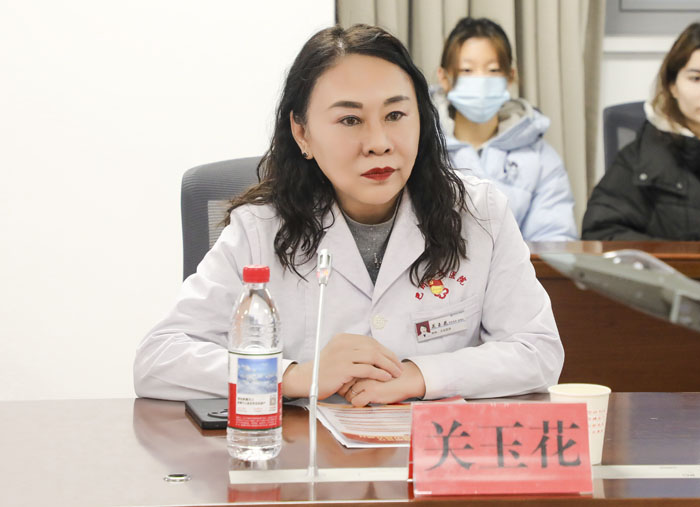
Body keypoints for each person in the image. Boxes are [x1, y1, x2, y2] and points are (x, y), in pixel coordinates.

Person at [133, 24, 563, 404]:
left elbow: (538, 351)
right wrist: (296, 377)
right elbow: (159, 359)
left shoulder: (479, 213)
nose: (379, 142)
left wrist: (421, 376)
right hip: (305, 459)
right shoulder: (260, 229)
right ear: (302, 132)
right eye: (350, 120)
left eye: (395, 114)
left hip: (431, 460)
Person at [583, 22, 700, 240]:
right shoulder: (639, 159)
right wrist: (665, 260)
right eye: (696, 78)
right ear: (672, 86)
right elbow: (600, 232)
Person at [432, 17, 577, 242]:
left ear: (510, 76)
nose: (481, 80)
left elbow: (554, 240)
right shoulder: (422, 147)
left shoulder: (541, 159)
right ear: (444, 77)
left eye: (493, 70)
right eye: (467, 70)